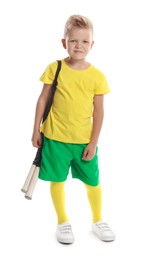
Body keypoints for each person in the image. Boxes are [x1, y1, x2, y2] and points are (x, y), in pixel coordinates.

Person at [31, 14, 115, 244]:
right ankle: (63, 221)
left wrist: (93, 142)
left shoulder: (97, 76)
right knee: (57, 180)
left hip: (83, 140)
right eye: (73, 41)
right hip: (55, 138)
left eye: (85, 41)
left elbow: (99, 112)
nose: (79, 46)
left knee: (93, 182)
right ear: (64, 42)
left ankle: (98, 219)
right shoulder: (55, 68)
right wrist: (35, 129)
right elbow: (42, 99)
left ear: (92, 44)